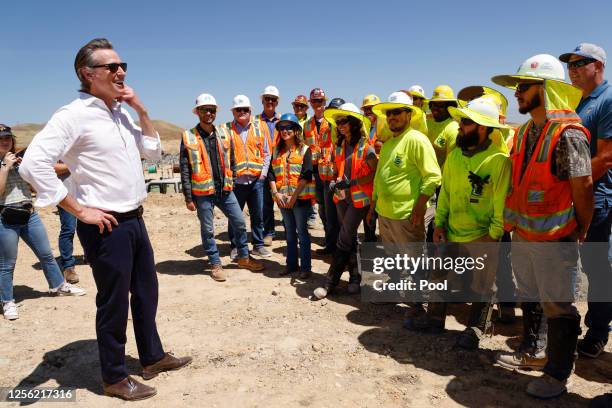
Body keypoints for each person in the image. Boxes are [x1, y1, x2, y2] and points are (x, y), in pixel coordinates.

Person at [19, 38, 191, 401]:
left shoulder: (120, 113)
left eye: (122, 65)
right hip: (104, 224)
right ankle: (114, 377)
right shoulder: (73, 115)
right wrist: (78, 209)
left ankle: (152, 356)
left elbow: (152, 151)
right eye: (112, 67)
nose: (121, 71)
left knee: (146, 292)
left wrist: (142, 110)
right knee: (113, 301)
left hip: (135, 219)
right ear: (88, 73)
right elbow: (34, 164)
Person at [492, 54, 593, 399]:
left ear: (545, 89)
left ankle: (557, 374)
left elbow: (583, 186)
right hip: (524, 234)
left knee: (559, 305)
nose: (517, 93)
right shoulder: (523, 133)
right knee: (531, 296)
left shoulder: (569, 134)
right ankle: (534, 352)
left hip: (554, 239)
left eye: (523, 86)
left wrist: (581, 229)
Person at [405, 97, 511, 351]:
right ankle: (434, 320)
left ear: (482, 127)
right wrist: (439, 224)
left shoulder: (498, 161)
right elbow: (446, 195)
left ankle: (476, 329)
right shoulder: (454, 157)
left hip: (482, 235)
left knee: (484, 284)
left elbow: (500, 204)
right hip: (451, 231)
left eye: (465, 122)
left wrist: (494, 235)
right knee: (439, 274)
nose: (459, 126)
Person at [559, 43, 612, 359]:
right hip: (578, 194)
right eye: (570, 63)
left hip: (596, 197)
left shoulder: (606, 100)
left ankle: (597, 332)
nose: (573, 68)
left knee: (597, 266)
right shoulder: (581, 102)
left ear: (600, 66)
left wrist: (570, 181)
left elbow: (605, 158)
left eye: (581, 62)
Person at [0, 125, 85, 321]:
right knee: (6, 264)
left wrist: (26, 170)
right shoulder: (5, 163)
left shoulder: (18, 160)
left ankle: (58, 285)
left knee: (46, 254)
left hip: (29, 213)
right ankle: (7, 301)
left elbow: (32, 187)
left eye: (8, 138)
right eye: (1, 139)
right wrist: (5, 166)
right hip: (6, 216)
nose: (5, 141)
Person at [179, 93, 265, 282]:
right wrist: (188, 197)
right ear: (198, 112)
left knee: (240, 223)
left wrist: (232, 179)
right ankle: (215, 263)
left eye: (212, 110)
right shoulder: (189, 136)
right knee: (208, 230)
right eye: (204, 110)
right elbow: (185, 169)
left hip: (225, 190)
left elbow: (232, 159)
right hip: (203, 193)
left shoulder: (223, 133)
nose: (209, 113)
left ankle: (243, 257)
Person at [313, 103, 377, 298]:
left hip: (358, 199)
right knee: (348, 236)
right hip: (341, 197)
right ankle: (355, 278)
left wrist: (353, 182)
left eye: (344, 122)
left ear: (355, 123)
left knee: (344, 236)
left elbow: (374, 171)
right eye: (338, 122)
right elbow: (335, 169)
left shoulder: (366, 147)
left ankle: (329, 282)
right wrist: (334, 181)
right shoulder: (338, 145)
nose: (340, 125)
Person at [225, 95, 272, 259]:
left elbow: (267, 153)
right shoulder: (226, 130)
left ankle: (258, 245)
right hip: (236, 183)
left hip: (256, 181)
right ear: (233, 112)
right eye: (238, 110)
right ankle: (236, 247)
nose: (242, 112)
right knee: (234, 217)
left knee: (258, 215)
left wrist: (263, 175)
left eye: (245, 109)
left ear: (250, 111)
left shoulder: (261, 126)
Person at [269, 113, 315, 278]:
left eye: (289, 127)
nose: (285, 130)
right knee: (289, 233)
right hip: (282, 199)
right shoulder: (276, 151)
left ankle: (305, 268)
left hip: (300, 200)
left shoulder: (305, 150)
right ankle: (291, 265)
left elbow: (306, 175)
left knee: (302, 233)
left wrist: (293, 197)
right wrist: (276, 194)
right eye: (282, 128)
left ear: (296, 130)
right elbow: (271, 175)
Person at [304, 89, 335, 254]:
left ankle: (334, 245)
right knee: (322, 210)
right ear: (311, 103)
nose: (318, 104)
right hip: (315, 173)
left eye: (320, 101)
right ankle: (330, 244)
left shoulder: (332, 122)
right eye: (315, 101)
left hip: (329, 173)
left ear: (325, 103)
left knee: (331, 212)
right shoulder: (307, 125)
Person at [256, 85, 280, 246]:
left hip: (280, 164)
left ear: (277, 102)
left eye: (273, 99)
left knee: (286, 196)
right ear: (263, 101)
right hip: (263, 164)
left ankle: (293, 230)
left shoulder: (282, 120)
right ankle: (269, 232)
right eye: (267, 99)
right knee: (265, 202)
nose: (270, 102)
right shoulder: (256, 121)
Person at [53, 161, 79, 284]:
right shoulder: (57, 144)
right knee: (69, 228)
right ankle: (68, 266)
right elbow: (53, 168)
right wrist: (75, 163)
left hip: (86, 194)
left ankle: (91, 256)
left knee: (92, 226)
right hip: (65, 196)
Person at [361, 94, 382, 242]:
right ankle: (369, 238)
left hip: (381, 173)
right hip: (367, 175)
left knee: (381, 210)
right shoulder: (363, 129)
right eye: (366, 109)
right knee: (369, 210)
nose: (369, 112)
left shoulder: (384, 128)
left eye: (372, 109)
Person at [427, 85, 459, 169]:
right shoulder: (426, 123)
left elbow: (449, 163)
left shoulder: (453, 129)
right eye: (434, 104)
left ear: (449, 107)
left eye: (440, 105)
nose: (435, 108)